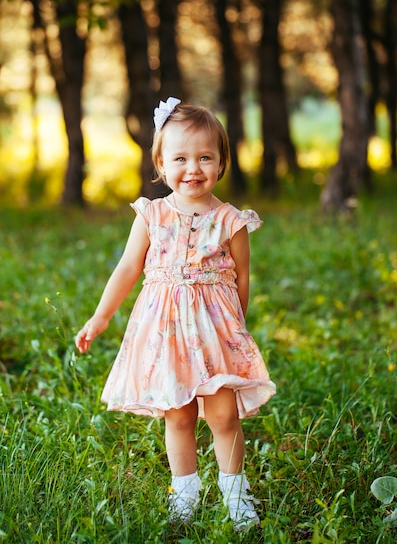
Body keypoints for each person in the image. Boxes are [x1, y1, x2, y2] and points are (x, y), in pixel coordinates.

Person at [75, 97, 276, 531]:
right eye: (180, 158)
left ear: (221, 162)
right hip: (165, 334)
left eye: (205, 157)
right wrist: (101, 317)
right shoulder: (152, 214)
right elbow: (128, 268)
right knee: (179, 414)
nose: (193, 168)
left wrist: (235, 329)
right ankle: (185, 492)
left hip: (216, 333)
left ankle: (236, 494)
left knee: (224, 415)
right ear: (161, 164)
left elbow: (242, 278)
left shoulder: (230, 220)